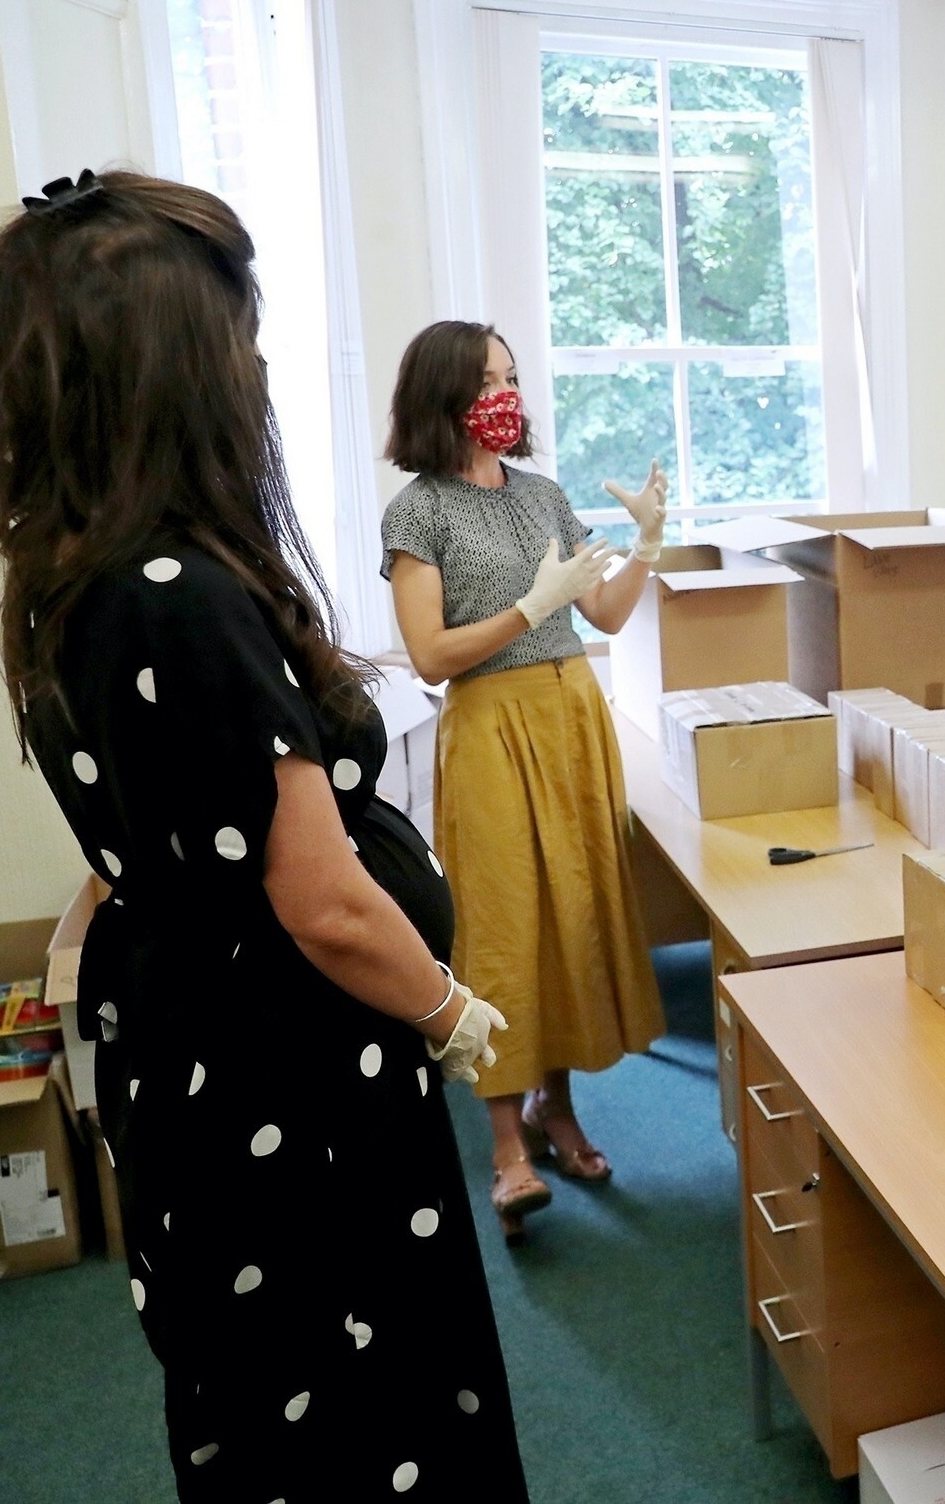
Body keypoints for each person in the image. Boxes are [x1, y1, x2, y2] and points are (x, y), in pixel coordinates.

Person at [0, 169, 527, 1499]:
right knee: (360, 1400)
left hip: (201, 1062)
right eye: (241, 340)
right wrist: (449, 1010)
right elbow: (322, 901)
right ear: (173, 373)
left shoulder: (73, 572)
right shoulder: (181, 596)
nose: (258, 370)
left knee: (268, 1391)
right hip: (285, 1077)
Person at [380, 321, 670, 1240]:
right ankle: (508, 1145)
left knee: (573, 912)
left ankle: (558, 1105)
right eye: (485, 382)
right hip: (490, 725)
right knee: (503, 925)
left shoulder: (543, 495)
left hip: (571, 713)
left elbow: (606, 615)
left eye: (509, 378)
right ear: (442, 396)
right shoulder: (418, 513)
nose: (504, 396)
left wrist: (646, 544)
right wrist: (527, 608)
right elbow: (430, 655)